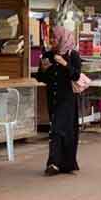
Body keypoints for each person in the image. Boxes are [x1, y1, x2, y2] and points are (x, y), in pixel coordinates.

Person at [37, 26, 82, 176]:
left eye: (55, 38)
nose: (52, 41)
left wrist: (64, 63)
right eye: (51, 38)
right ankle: (66, 164)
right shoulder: (48, 55)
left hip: (67, 99)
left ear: (63, 38)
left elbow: (76, 75)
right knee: (61, 130)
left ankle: (54, 163)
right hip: (53, 98)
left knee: (57, 130)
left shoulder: (72, 55)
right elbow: (41, 78)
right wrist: (43, 70)